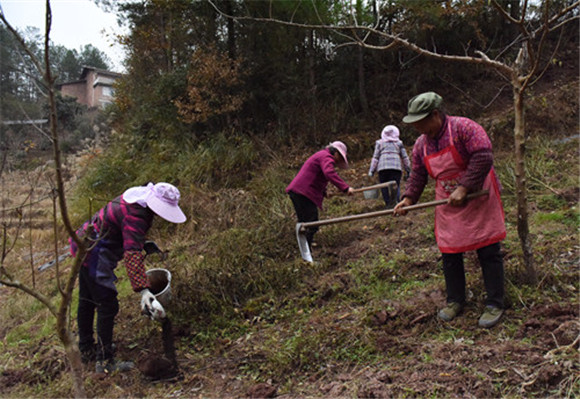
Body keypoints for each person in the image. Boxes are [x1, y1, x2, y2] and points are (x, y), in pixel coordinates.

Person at [393, 92, 506, 328]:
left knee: (488, 250)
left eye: (421, 122)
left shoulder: (465, 128)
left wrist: (465, 187)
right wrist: (408, 199)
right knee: (450, 252)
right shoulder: (421, 145)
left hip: (477, 195)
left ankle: (495, 302)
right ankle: (455, 300)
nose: (417, 127)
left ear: (435, 114)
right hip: (447, 200)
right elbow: (418, 174)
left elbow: (484, 156)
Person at [70, 182, 186, 374]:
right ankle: (105, 361)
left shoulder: (137, 199)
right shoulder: (137, 215)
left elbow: (122, 232)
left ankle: (87, 349)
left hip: (84, 243)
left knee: (87, 300)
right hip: (95, 253)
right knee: (107, 303)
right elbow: (132, 254)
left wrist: (143, 244)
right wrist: (144, 290)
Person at [286, 141, 354, 251]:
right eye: (340, 157)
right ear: (335, 153)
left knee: (306, 222)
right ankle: (305, 251)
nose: (338, 161)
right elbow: (329, 173)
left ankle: (305, 247)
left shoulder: (322, 156)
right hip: (302, 193)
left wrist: (324, 191)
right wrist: (345, 188)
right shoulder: (326, 156)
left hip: (300, 192)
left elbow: (316, 176)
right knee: (311, 223)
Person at [368, 125, 411, 208]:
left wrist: (372, 170)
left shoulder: (379, 143)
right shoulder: (399, 143)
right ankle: (396, 202)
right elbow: (405, 157)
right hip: (396, 168)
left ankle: (388, 203)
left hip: (383, 168)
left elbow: (375, 157)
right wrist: (408, 168)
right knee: (395, 185)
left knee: (384, 186)